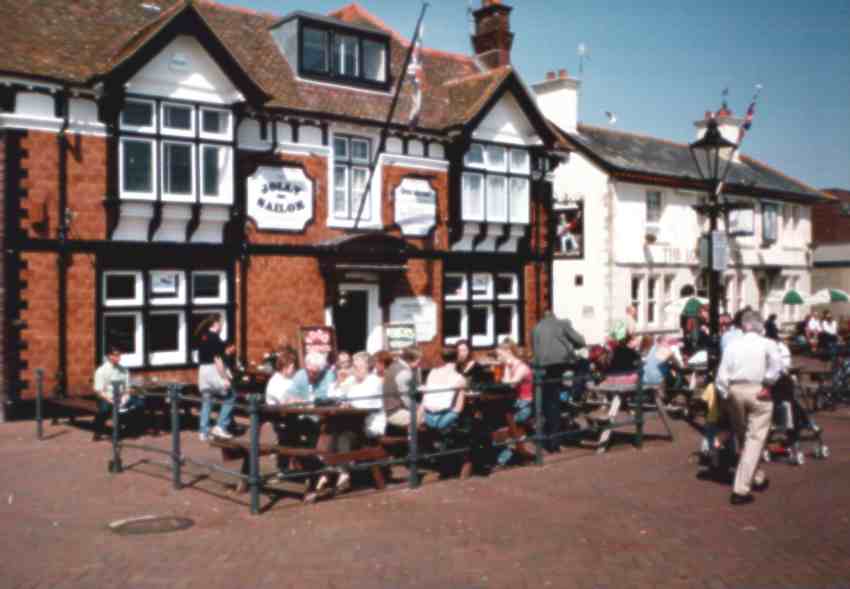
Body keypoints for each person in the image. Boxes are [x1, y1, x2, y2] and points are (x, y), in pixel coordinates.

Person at [715, 311, 782, 505]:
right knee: (754, 438)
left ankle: (758, 475)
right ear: (760, 326)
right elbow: (777, 366)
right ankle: (740, 489)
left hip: (735, 390)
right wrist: (768, 383)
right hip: (759, 390)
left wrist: (727, 394)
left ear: (743, 326)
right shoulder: (767, 344)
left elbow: (722, 376)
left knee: (745, 437)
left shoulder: (732, 345)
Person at [532, 308, 586, 453]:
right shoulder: (562, 323)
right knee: (584, 364)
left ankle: (552, 443)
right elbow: (581, 341)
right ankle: (576, 393)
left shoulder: (536, 328)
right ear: (555, 315)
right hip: (561, 365)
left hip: (542, 370)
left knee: (550, 404)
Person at [196, 314, 235, 441]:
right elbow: (218, 360)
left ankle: (203, 431)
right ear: (216, 324)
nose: (222, 325)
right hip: (212, 369)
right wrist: (225, 378)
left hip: (202, 370)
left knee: (207, 399)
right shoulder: (215, 339)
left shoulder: (204, 336)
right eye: (221, 323)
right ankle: (221, 426)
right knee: (230, 395)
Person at [92, 346, 143, 441]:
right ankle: (98, 430)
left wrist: (125, 397)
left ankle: (129, 429)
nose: (118, 358)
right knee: (105, 409)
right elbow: (98, 391)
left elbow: (127, 388)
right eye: (115, 355)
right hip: (107, 397)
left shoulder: (124, 370)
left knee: (139, 403)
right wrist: (111, 400)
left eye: (119, 355)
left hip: (121, 397)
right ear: (108, 356)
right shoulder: (101, 371)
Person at [495, 339, 533, 465]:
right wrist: (506, 365)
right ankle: (506, 456)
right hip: (516, 403)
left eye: (500, 354)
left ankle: (504, 458)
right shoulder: (511, 366)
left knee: (498, 427)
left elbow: (510, 385)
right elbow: (506, 384)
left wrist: (506, 366)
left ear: (508, 352)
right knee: (493, 420)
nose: (498, 357)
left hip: (524, 406)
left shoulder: (521, 367)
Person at [421, 347, 466, 433]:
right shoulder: (459, 378)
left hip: (427, 418)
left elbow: (424, 399)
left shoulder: (432, 372)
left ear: (442, 358)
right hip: (443, 420)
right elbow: (459, 408)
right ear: (457, 358)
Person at [382, 346, 422, 431]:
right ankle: (414, 442)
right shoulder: (403, 372)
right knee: (426, 417)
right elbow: (406, 399)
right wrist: (419, 408)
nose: (419, 364)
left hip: (391, 409)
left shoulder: (395, 365)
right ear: (411, 359)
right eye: (418, 361)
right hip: (394, 412)